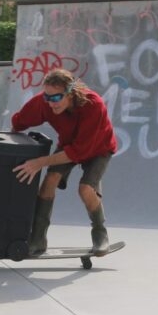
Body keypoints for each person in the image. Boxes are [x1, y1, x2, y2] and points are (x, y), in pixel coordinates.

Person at [10, 68, 118, 255]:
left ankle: (100, 233)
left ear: (70, 93)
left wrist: (39, 162)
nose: (51, 103)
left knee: (85, 189)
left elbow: (78, 151)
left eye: (56, 98)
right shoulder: (45, 103)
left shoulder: (93, 105)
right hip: (69, 145)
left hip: (98, 148)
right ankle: (37, 239)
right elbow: (20, 121)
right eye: (47, 97)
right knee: (48, 182)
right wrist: (9, 141)